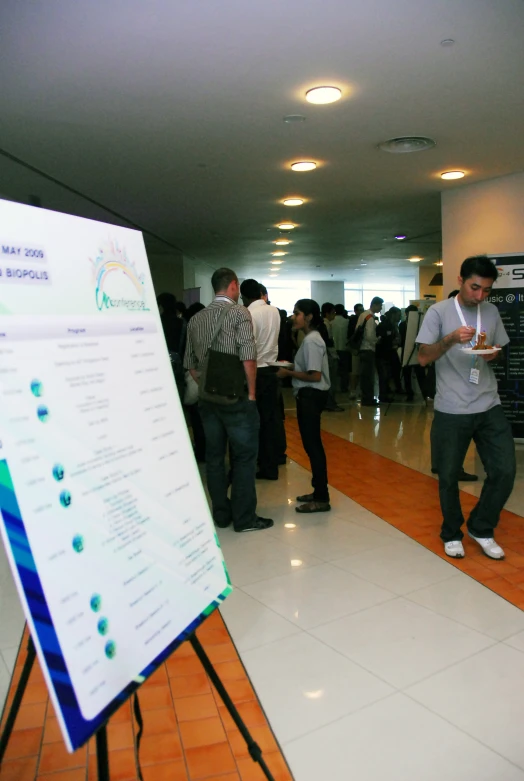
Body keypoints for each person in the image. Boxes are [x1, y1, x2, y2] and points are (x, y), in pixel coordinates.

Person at [417, 255, 516, 560]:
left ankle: (481, 527)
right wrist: (448, 340)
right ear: (460, 281)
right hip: (451, 407)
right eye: (475, 288)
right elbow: (423, 357)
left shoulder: (491, 311)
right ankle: (451, 532)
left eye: (486, 290)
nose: (480, 296)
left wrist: (491, 355)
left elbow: (499, 352)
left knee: (504, 470)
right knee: (448, 474)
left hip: (488, 403)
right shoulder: (438, 312)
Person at [184, 267, 273, 533]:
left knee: (213, 457)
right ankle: (244, 519)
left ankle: (221, 515)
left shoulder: (196, 319)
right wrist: (252, 394)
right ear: (233, 286)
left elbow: (190, 364)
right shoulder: (239, 313)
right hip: (236, 399)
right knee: (244, 457)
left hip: (207, 400)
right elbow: (248, 356)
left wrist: (208, 385)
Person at [277, 299, 331, 513]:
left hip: (311, 395)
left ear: (309, 317)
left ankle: (321, 497)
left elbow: (315, 375)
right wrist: (292, 366)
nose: (293, 317)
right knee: (311, 446)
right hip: (308, 395)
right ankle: (318, 492)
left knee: (313, 446)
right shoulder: (309, 339)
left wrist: (288, 373)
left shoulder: (312, 341)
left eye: (297, 313)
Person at [429, 290, 478, 482]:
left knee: (440, 424)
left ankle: (439, 463)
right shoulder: (449, 325)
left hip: (445, 382)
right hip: (452, 383)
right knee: (453, 428)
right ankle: (451, 466)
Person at [240, 278, 281, 481]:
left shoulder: (249, 314)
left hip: (256, 373)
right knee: (271, 421)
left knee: (256, 422)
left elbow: (249, 347)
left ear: (244, 296)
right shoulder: (274, 311)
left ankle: (263, 465)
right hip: (271, 371)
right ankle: (272, 464)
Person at [157, 292, 186, 398]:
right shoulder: (182, 323)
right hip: (177, 363)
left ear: (161, 305)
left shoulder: (157, 321)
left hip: (159, 364)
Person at [357, 296, 384, 406]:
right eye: (380, 306)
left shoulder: (363, 315)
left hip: (362, 348)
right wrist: (377, 340)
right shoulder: (370, 317)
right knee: (368, 376)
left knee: (365, 375)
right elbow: (369, 335)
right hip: (368, 349)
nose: (380, 308)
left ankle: (366, 397)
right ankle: (368, 399)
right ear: (375, 305)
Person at [322, 302, 343, 411]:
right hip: (329, 356)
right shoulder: (325, 325)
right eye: (333, 313)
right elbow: (328, 342)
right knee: (331, 380)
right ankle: (330, 403)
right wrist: (334, 355)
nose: (334, 315)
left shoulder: (325, 324)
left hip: (327, 355)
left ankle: (328, 402)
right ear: (327, 313)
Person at [332, 303, 350, 393]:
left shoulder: (331, 322)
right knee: (344, 371)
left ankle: (333, 388)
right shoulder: (347, 322)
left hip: (333, 349)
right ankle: (344, 388)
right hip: (344, 348)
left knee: (333, 371)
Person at [347, 303, 364, 397]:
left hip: (362, 348)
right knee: (355, 371)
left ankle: (358, 390)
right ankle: (353, 390)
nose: (362, 311)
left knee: (360, 370)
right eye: (360, 310)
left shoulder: (363, 319)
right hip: (355, 349)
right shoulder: (353, 320)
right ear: (356, 311)